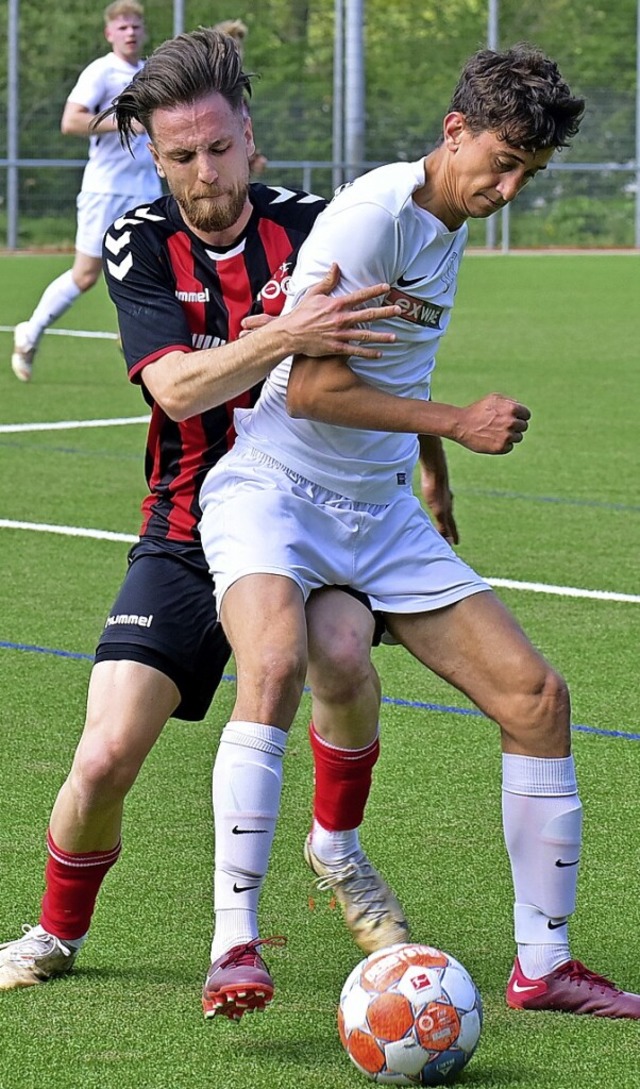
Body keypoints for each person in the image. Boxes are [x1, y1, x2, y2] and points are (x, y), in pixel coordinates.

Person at [198, 42, 640, 1020]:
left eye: (530, 169)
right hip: (275, 489)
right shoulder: (374, 219)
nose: (511, 185)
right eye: (501, 159)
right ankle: (234, 947)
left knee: (535, 697)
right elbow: (308, 386)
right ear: (453, 130)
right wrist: (455, 426)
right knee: (271, 669)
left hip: (378, 509)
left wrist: (430, 481)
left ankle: (545, 964)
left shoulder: (446, 224)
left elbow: (391, 370)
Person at [0, 27, 420, 1014]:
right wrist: (284, 332)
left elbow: (384, 365)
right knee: (104, 755)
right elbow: (180, 391)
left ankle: (340, 852)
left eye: (219, 149)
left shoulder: (316, 230)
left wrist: (425, 468)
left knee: (343, 657)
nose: (204, 173)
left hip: (313, 525)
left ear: (250, 140)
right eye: (181, 155)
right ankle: (57, 928)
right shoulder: (138, 239)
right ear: (155, 157)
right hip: (186, 533)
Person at [10, 1, 162, 383]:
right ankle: (30, 331)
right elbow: (71, 120)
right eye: (122, 27)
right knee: (86, 275)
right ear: (109, 33)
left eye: (136, 26)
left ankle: (136, 337)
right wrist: (124, 121)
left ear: (143, 32)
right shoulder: (101, 71)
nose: (130, 32)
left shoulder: (150, 73)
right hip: (105, 190)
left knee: (161, 266)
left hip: (145, 188)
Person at [213, 18, 268, 177]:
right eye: (229, 48)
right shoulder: (209, 92)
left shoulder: (240, 95)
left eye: (238, 48)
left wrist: (254, 158)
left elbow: (239, 132)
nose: (235, 54)